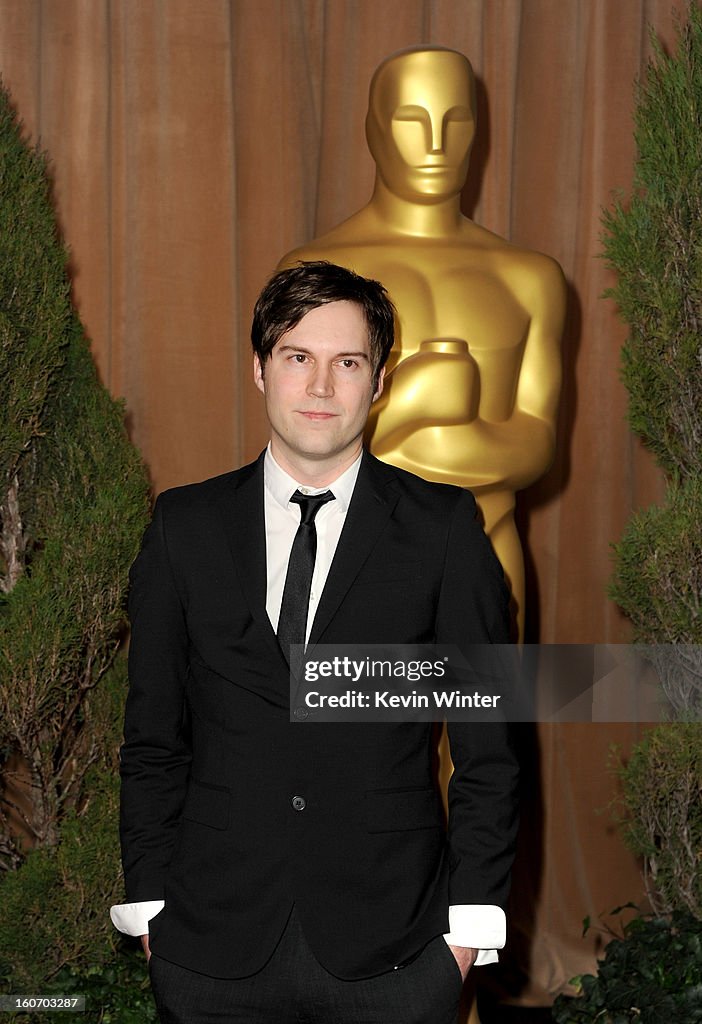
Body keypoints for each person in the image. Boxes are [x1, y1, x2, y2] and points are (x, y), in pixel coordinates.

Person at [111, 261, 519, 1024]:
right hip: (209, 952)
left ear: (380, 380)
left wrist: (466, 938)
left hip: (395, 952)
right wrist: (151, 911)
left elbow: (488, 748)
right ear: (261, 369)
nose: (322, 386)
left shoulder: (444, 530)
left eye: (348, 362)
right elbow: (153, 739)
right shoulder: (184, 527)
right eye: (299, 357)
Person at [280, 48, 567, 639]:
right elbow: (301, 438)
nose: (436, 144)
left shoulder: (528, 276)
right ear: (374, 132)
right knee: (362, 729)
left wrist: (435, 431)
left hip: (491, 546)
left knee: (485, 727)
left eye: (455, 121)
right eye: (413, 121)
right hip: (355, 555)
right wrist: (414, 399)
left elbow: (537, 443)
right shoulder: (315, 269)